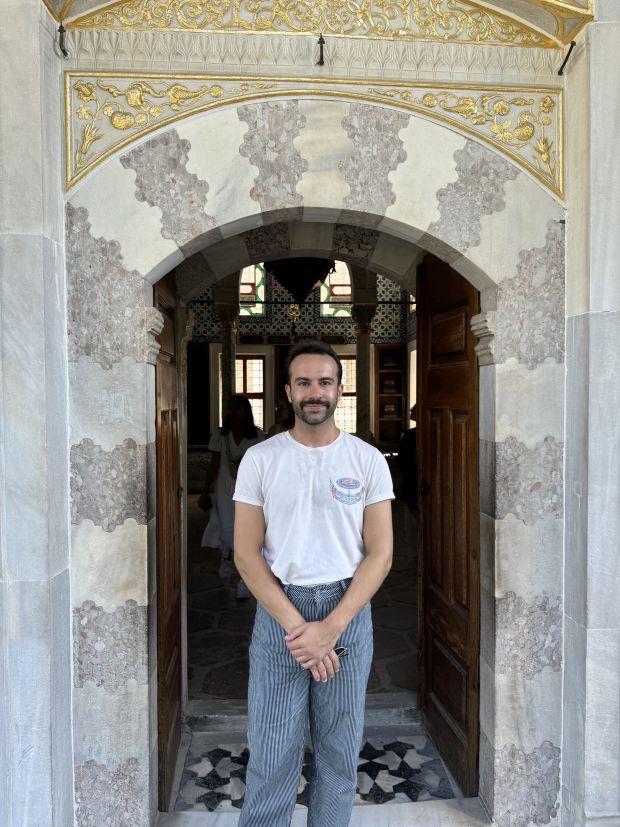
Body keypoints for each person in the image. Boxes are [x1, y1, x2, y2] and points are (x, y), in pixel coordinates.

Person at [233, 339, 394, 826]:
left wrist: (331, 628)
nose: (314, 392)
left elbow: (381, 553)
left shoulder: (367, 461)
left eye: (325, 382)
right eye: (303, 382)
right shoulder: (261, 460)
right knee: (272, 755)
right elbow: (245, 552)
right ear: (287, 391)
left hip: (348, 609)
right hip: (281, 612)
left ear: (340, 390)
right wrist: (302, 628)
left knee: (338, 754)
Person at [200, 394, 264, 598]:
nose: (233, 412)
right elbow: (214, 464)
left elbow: (264, 466)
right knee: (229, 530)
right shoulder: (220, 435)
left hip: (250, 489)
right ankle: (229, 554)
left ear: (246, 411)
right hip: (225, 488)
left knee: (249, 532)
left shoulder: (257, 435)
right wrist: (204, 490)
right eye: (231, 407)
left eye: (238, 408)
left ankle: (243, 580)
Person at [396, 404, 418, 511]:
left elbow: (401, 462)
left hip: (411, 480)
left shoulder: (409, 435)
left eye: (412, 410)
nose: (410, 412)